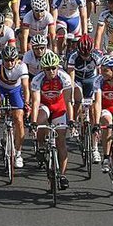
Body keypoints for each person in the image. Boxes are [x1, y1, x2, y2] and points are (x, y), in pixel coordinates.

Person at [29, 51, 74, 191]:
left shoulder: (64, 78)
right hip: (44, 105)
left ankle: (62, 175)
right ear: (43, 69)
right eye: (48, 69)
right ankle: (41, 145)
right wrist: (34, 123)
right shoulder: (37, 80)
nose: (51, 71)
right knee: (41, 119)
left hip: (59, 107)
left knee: (61, 141)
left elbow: (68, 102)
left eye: (54, 68)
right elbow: (35, 102)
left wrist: (71, 120)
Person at [0, 44, 30, 168]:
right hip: (1, 88)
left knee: (18, 119)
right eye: (7, 60)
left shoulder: (21, 66)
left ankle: (18, 153)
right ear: (2, 59)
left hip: (15, 90)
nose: (10, 63)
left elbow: (25, 87)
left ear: (16, 59)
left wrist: (26, 103)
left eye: (12, 60)